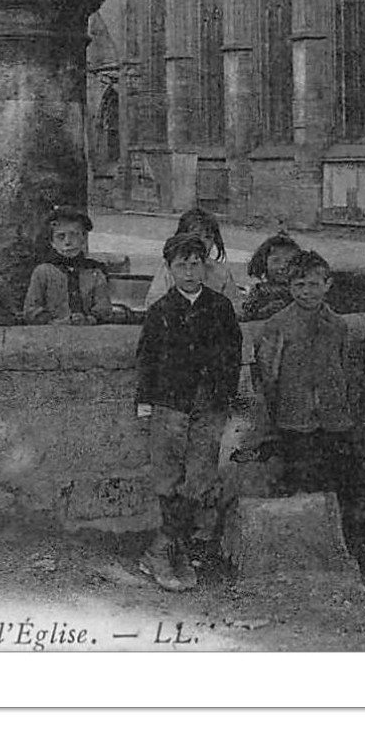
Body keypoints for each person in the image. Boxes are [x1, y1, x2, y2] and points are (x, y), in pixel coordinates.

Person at [134, 232, 244, 592]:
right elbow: (147, 359)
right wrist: (145, 402)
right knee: (168, 473)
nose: (189, 272)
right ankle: (169, 549)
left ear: (206, 267)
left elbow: (232, 354)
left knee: (199, 475)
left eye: (196, 264)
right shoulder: (161, 311)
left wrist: (224, 394)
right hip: (170, 402)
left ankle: (163, 546)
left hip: (208, 403)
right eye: (181, 265)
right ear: (169, 269)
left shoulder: (220, 307)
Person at [252, 250, 358, 518]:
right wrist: (276, 418)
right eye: (299, 285)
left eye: (313, 284)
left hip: (333, 418)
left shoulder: (337, 325)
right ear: (289, 287)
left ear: (328, 285)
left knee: (334, 480)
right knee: (300, 481)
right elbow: (268, 377)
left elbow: (345, 369)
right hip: (295, 420)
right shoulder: (277, 326)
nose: (307, 292)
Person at [23, 206, 115, 325]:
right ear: (52, 243)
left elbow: (104, 308)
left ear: (83, 239)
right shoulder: (43, 272)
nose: (68, 242)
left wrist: (89, 319)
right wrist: (56, 321)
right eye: (61, 237)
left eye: (74, 235)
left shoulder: (95, 272)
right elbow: (31, 310)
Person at [143, 207, 244, 307]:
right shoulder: (169, 270)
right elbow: (153, 304)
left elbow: (236, 307)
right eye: (196, 235)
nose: (203, 242)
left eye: (208, 237)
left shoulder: (221, 272)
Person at [238, 231, 301, 322]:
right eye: (276, 261)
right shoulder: (259, 291)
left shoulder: (300, 291)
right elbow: (246, 316)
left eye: (289, 262)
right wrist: (264, 312)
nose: (282, 266)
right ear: (264, 263)